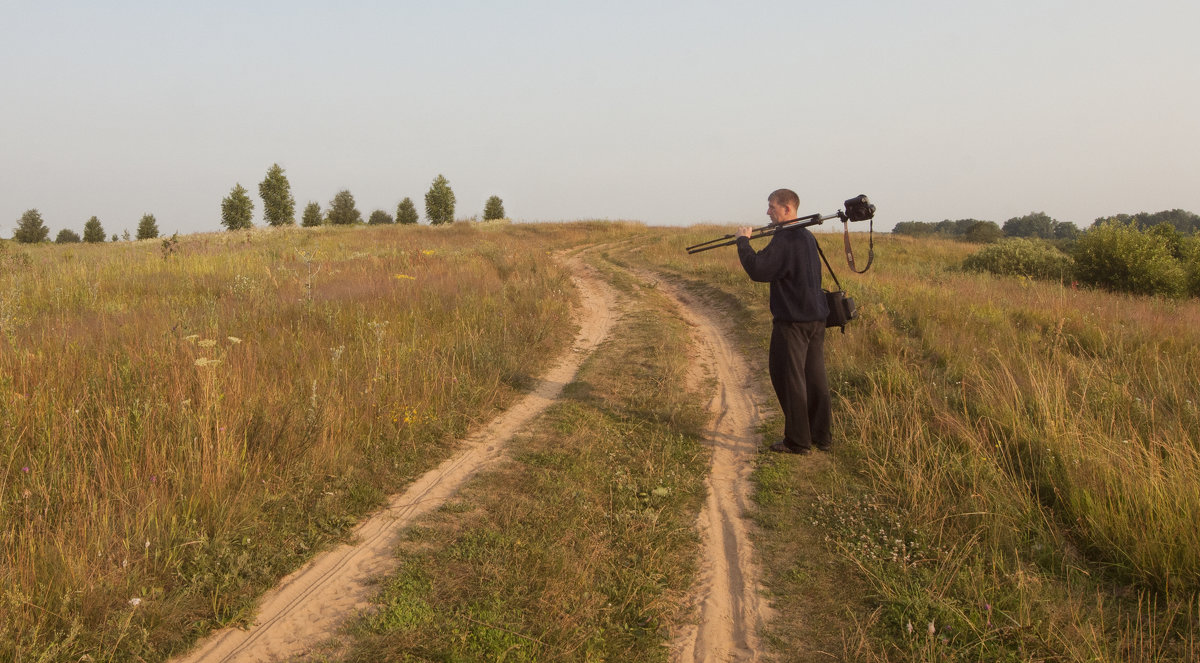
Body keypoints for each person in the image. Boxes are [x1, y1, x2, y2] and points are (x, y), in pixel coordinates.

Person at [735, 189, 832, 454]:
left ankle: (798, 441)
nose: (768, 212)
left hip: (792, 322)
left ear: (788, 208)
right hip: (816, 318)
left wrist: (743, 242)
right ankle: (822, 437)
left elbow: (758, 269)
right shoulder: (807, 236)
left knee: (789, 380)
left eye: (772, 207)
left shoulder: (786, 239)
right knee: (814, 378)